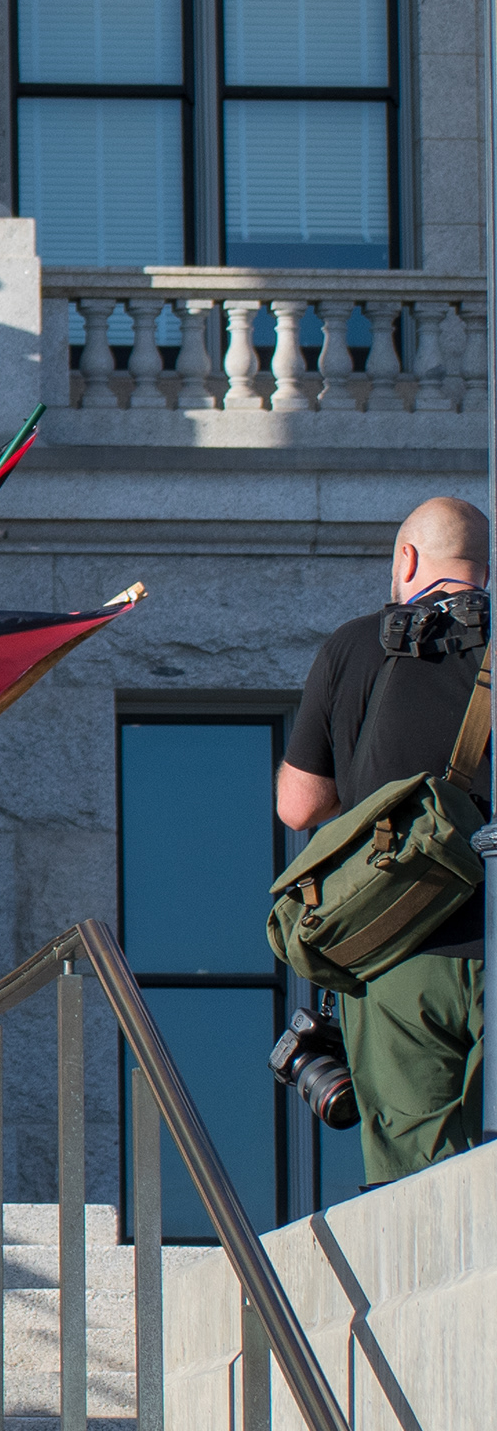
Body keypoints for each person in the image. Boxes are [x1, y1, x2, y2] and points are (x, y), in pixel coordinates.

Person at [280, 495, 492, 1183]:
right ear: (484, 571)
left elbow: (299, 804)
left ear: (406, 560)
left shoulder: (355, 645)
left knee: (413, 1183)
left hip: (401, 945)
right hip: (494, 930)